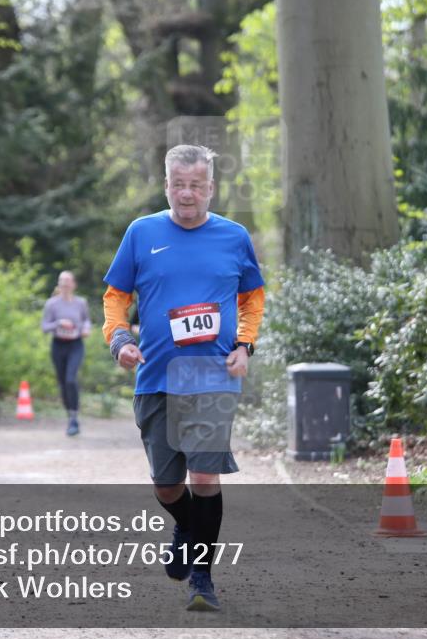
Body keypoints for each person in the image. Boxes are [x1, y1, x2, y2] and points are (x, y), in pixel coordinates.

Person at [102, 144, 265, 611]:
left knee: (205, 476)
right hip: (155, 374)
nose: (187, 194)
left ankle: (202, 578)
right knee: (167, 486)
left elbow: (253, 297)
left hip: (212, 376)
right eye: (179, 184)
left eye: (196, 185)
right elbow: (115, 296)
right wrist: (119, 340)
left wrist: (244, 344)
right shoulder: (142, 233)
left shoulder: (234, 237)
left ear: (211, 188)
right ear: (166, 185)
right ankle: (186, 523)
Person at [41, 270, 91, 436]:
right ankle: (70, 416)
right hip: (58, 345)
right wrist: (58, 323)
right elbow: (44, 326)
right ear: (59, 284)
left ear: (73, 284)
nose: (65, 284)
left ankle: (74, 417)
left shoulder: (81, 303)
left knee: (71, 379)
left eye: (68, 281)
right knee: (63, 382)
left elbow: (86, 321)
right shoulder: (52, 304)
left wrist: (85, 329)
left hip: (76, 345)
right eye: (62, 281)